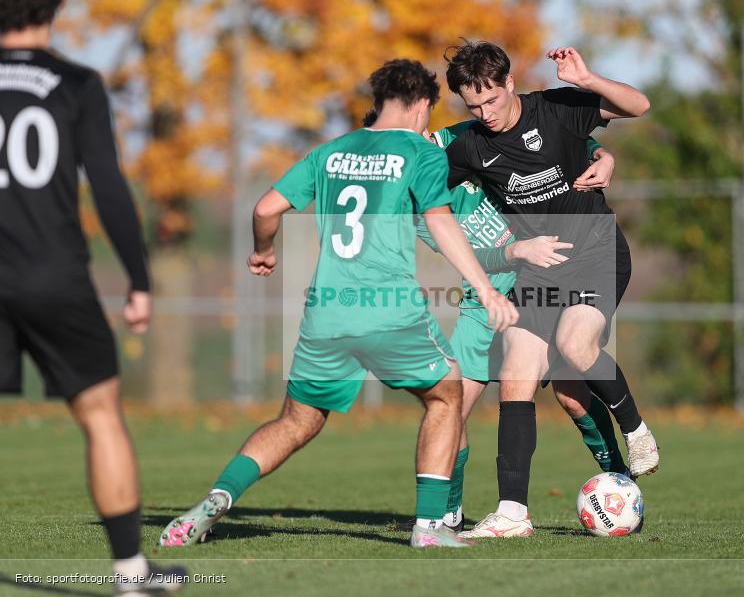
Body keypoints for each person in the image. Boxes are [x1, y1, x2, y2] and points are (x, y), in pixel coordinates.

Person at [158, 59, 517, 550]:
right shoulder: (420, 151)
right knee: (446, 395)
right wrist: (487, 288)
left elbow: (265, 208)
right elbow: (439, 220)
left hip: (327, 311)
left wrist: (264, 250)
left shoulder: (330, 152)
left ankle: (217, 498)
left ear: (380, 101)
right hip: (388, 307)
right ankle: (430, 528)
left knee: (296, 421)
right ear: (421, 105)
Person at [0, 0, 187, 593]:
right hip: (54, 275)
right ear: (55, 7)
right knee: (101, 415)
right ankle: (131, 574)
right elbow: (106, 184)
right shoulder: (76, 83)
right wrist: (138, 277)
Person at [441, 40, 659, 539]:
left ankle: (636, 430)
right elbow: (421, 178)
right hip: (540, 269)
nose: (485, 114)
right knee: (515, 376)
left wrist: (588, 81)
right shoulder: (470, 146)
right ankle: (513, 513)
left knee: (575, 347)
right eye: (473, 107)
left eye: (491, 100)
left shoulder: (556, 109)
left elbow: (639, 105)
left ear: (509, 83)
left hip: (596, 251)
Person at [408, 118, 630, 533]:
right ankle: (449, 511)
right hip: (482, 304)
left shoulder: (464, 136)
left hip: (544, 283)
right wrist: (514, 250)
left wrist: (601, 154)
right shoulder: (414, 201)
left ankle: (620, 476)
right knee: (450, 407)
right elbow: (465, 256)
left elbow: (548, 136)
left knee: (572, 396)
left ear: (422, 124)